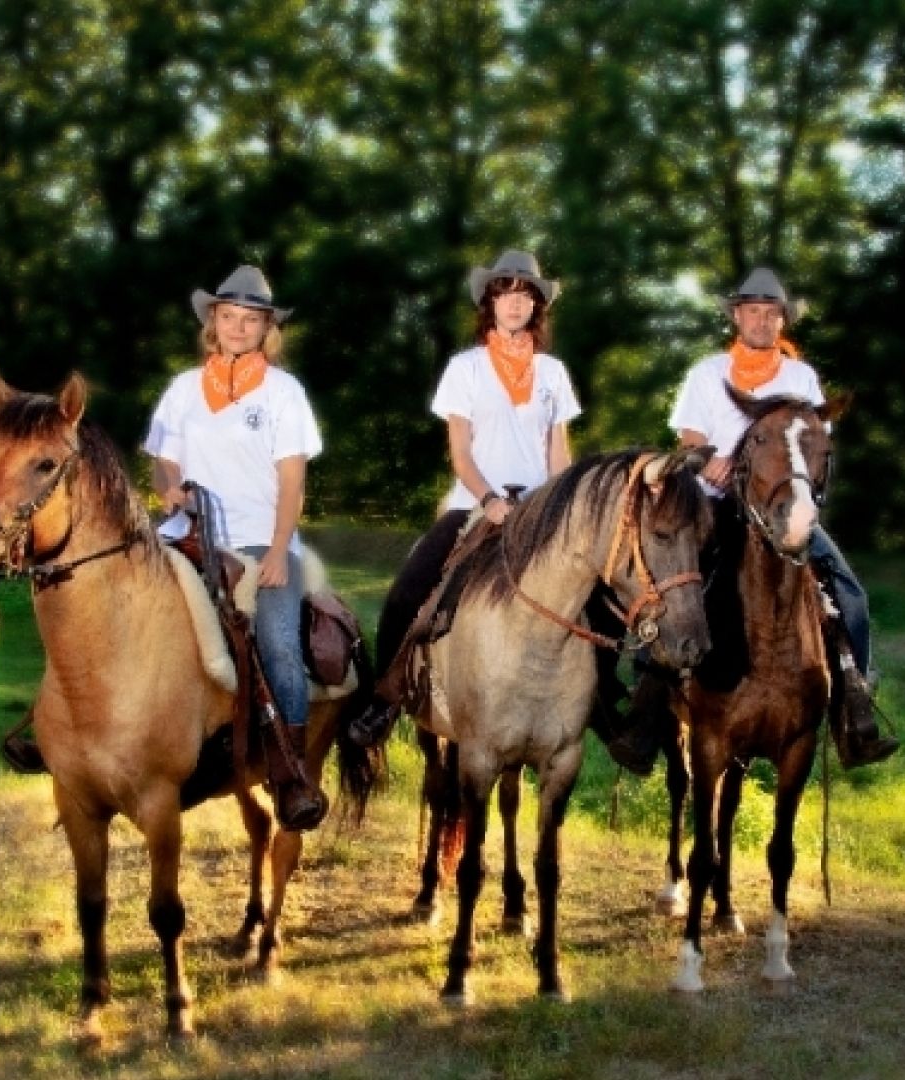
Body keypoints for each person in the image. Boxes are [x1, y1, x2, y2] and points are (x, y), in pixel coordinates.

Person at [603, 267, 900, 774]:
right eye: (753, 311)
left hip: (780, 506)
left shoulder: (800, 377)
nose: (762, 320)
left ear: (781, 319)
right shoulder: (706, 372)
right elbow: (690, 436)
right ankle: (648, 708)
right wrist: (710, 461)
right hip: (715, 503)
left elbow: (813, 440)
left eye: (771, 312)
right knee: (674, 588)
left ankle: (854, 702)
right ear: (737, 317)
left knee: (848, 591)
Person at [349, 250, 582, 747]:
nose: (515, 303)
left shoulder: (553, 374)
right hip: (473, 505)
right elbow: (459, 451)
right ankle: (384, 701)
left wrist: (560, 509)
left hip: (538, 514)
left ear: (536, 306)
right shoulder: (466, 368)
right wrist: (490, 500)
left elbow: (557, 451)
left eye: (524, 294)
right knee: (408, 591)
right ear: (489, 304)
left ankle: (604, 709)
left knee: (594, 593)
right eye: (504, 293)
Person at [145, 265, 329, 827]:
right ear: (213, 323)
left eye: (251, 320)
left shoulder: (283, 392)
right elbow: (161, 460)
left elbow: (293, 481)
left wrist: (278, 551)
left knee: (277, 646)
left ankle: (291, 770)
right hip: (185, 538)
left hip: (256, 542)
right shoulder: (182, 388)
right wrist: (169, 487)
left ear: (266, 329)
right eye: (229, 317)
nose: (238, 327)